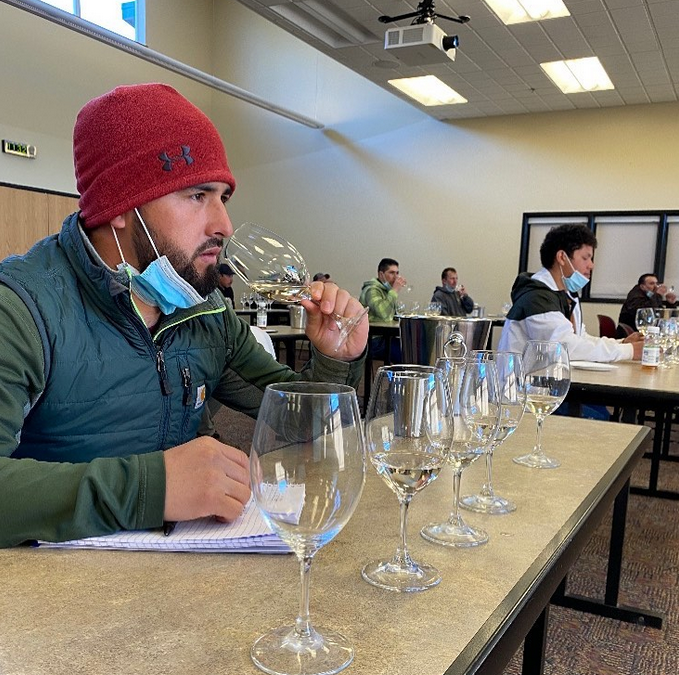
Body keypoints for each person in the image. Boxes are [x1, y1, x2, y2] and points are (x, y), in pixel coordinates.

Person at [0, 83, 368, 548]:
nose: (224, 225)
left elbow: (303, 423)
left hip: (183, 592)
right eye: (197, 196)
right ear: (119, 207)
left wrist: (334, 357)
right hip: (55, 603)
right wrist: (156, 487)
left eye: (223, 198)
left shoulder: (206, 312)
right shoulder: (22, 309)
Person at [499, 224, 644, 363]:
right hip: (521, 385)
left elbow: (580, 338)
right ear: (562, 257)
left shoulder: (566, 294)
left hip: (547, 380)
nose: (591, 265)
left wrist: (621, 343)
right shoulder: (536, 297)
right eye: (585, 258)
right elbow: (565, 347)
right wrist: (629, 351)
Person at [359, 258, 407, 362]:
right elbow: (384, 314)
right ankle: (399, 377)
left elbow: (392, 315)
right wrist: (394, 291)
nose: (396, 277)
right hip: (373, 340)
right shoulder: (371, 290)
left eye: (397, 273)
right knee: (403, 351)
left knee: (414, 345)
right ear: (381, 274)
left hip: (386, 337)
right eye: (391, 273)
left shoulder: (386, 291)